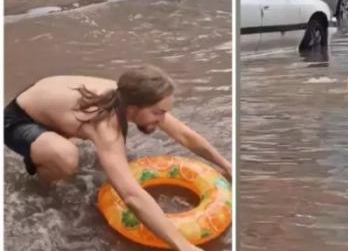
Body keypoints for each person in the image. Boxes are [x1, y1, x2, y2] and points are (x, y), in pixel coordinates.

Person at [4, 65, 231, 251]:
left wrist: (225, 165)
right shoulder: (105, 126)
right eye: (158, 112)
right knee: (66, 158)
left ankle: (53, 140)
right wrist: (183, 246)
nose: (162, 119)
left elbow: (185, 135)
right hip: (18, 120)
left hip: (51, 104)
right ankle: (40, 179)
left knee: (77, 143)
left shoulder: (128, 96)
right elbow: (132, 196)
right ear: (133, 108)